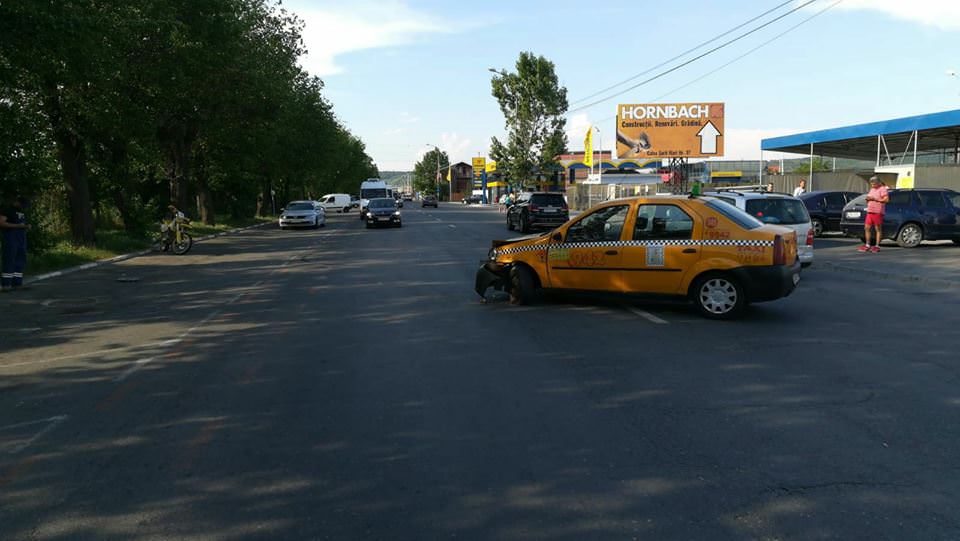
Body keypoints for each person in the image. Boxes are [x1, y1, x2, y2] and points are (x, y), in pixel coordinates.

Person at [1, 197, 30, 292]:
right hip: (10, 238)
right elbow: (2, 223)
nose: (23, 207)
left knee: (20, 260)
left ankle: (17, 283)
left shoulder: (21, 212)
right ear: (17, 202)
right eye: (22, 205)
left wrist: (26, 226)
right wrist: (18, 226)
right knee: (9, 259)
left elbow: (21, 223)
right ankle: (6, 284)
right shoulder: (7, 210)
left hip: (21, 239)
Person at [860, 176, 889, 253]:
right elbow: (869, 197)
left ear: (878, 183)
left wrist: (875, 199)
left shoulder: (882, 189)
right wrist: (868, 199)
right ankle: (867, 245)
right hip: (870, 211)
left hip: (877, 211)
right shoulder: (872, 189)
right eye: (871, 184)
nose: (872, 186)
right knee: (867, 228)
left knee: (877, 229)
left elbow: (886, 200)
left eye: (874, 184)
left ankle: (877, 246)